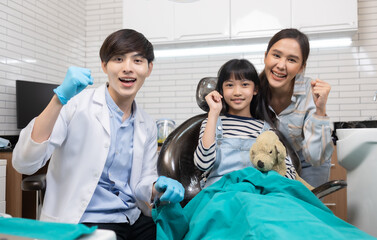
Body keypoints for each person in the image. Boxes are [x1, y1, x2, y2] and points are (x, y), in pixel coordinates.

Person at [12, 29, 184, 240]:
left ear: (149, 69)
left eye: (137, 61)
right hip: (86, 220)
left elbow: (142, 182)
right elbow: (24, 162)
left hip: (132, 218)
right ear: (104, 65)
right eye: (118, 59)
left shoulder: (146, 124)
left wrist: (156, 188)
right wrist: (59, 99)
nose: (127, 68)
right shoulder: (75, 104)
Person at [193, 59, 296, 188]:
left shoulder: (266, 130)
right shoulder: (211, 123)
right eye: (230, 85)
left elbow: (288, 172)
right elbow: (203, 164)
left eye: (245, 84)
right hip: (220, 195)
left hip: (255, 195)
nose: (237, 92)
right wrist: (213, 113)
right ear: (221, 91)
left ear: (255, 89)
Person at [259, 28, 334, 187]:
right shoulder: (252, 90)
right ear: (265, 56)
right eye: (276, 55)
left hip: (307, 164)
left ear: (301, 67)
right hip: (268, 162)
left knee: (305, 208)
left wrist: (320, 111)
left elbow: (316, 158)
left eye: (292, 60)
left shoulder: (310, 93)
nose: (281, 65)